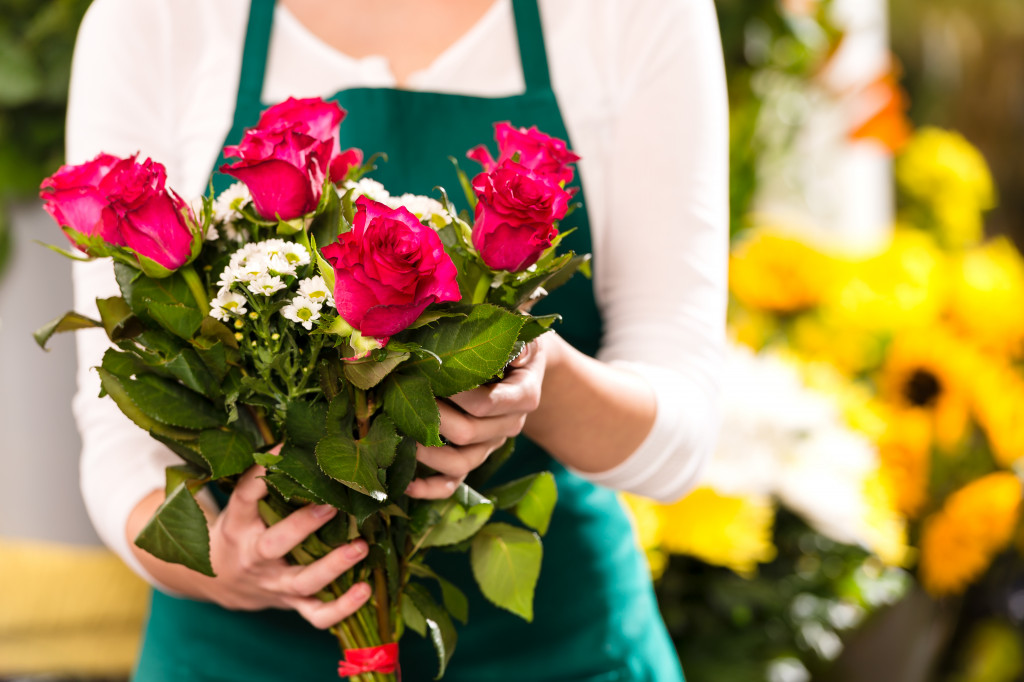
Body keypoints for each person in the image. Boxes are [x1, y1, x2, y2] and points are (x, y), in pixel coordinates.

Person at [66, 0, 728, 679]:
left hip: (555, 649)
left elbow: (682, 436)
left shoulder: (636, 14)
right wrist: (220, 566)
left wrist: (537, 375)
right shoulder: (154, 18)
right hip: (237, 656)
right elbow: (121, 435)